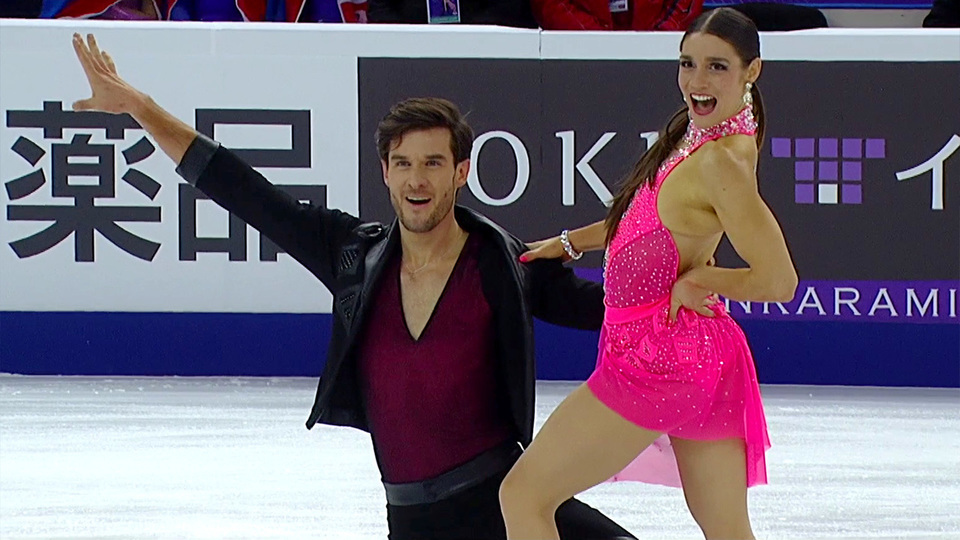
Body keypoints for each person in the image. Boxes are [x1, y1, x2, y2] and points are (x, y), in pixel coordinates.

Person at [69, 34, 635, 540]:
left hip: (507, 504)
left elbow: (613, 307)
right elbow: (246, 193)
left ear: (461, 172)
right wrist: (140, 108)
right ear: (384, 171)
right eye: (403, 163)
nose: (417, 180)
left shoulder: (504, 263)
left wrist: (677, 282)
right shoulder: (353, 258)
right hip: (412, 523)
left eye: (433, 163)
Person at [500, 7, 798, 540]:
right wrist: (571, 242)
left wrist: (699, 281)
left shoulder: (721, 161)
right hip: (698, 355)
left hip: (657, 359)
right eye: (688, 63)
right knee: (728, 531)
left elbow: (779, 281)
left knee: (522, 495)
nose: (697, 81)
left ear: (752, 71)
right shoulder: (702, 133)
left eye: (717, 67)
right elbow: (648, 222)